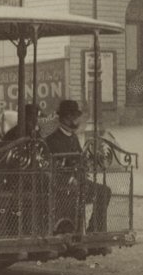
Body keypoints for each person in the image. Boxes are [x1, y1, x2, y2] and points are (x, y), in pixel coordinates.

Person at [44, 99, 110, 232]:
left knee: (104, 191)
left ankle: (95, 228)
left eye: (76, 117)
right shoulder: (51, 140)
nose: (76, 120)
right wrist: (69, 179)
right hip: (61, 184)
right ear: (65, 118)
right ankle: (71, 229)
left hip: (78, 182)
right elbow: (51, 166)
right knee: (75, 194)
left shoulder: (73, 137)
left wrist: (87, 163)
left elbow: (79, 159)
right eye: (73, 117)